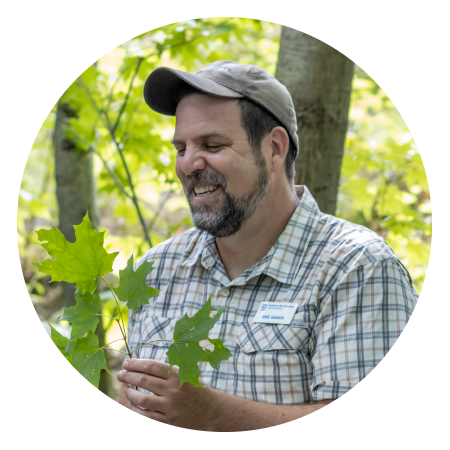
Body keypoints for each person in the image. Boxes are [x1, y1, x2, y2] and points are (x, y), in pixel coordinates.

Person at [116, 60, 418, 431]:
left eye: (211, 144)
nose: (189, 164)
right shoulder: (156, 270)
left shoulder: (358, 268)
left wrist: (212, 415)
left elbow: (374, 428)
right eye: (181, 148)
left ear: (275, 148)